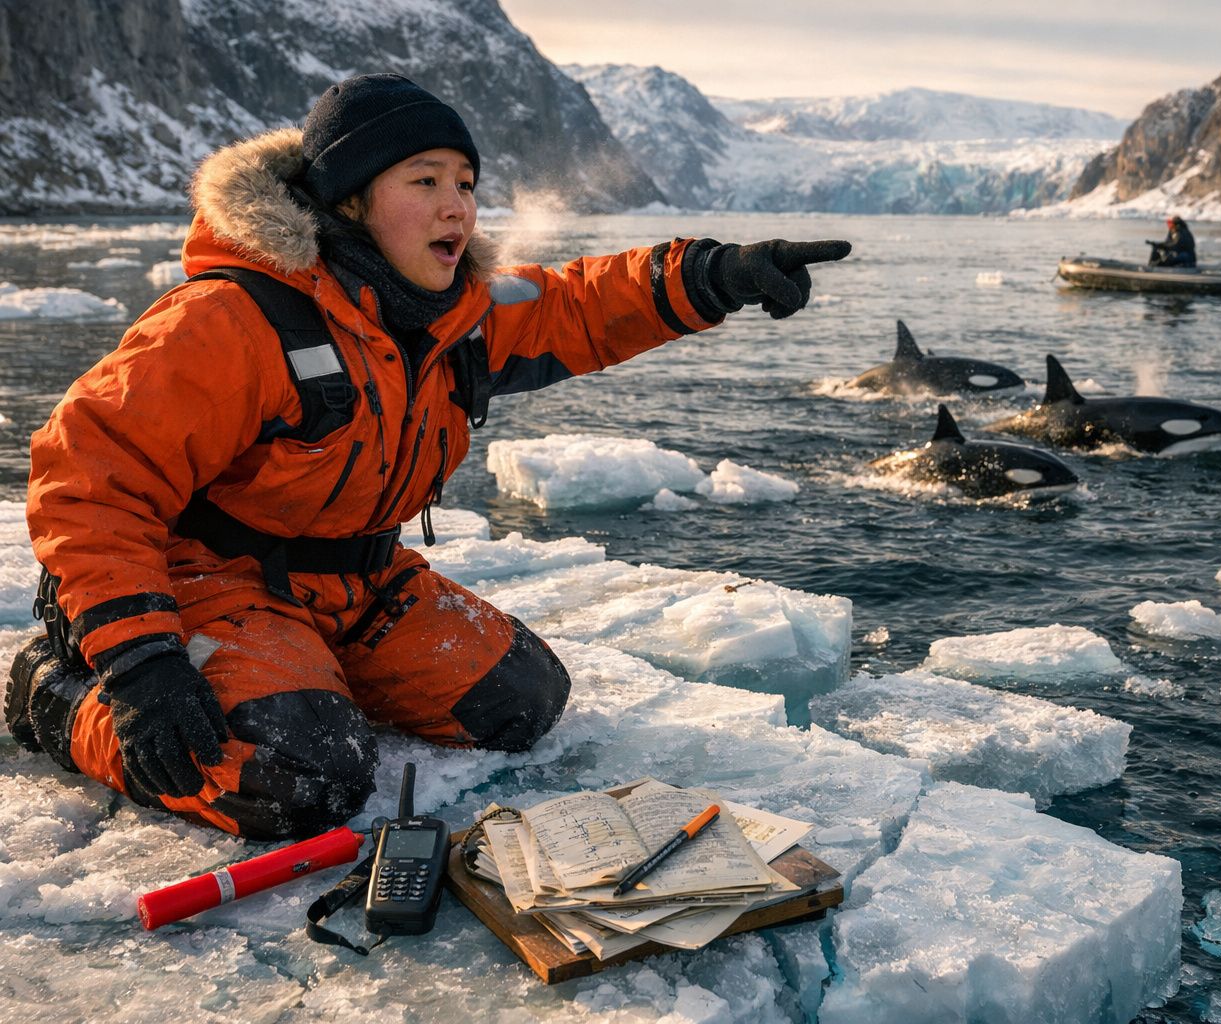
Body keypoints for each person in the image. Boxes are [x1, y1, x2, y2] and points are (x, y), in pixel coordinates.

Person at [4, 74, 850, 840]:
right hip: (215, 581)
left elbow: (581, 307)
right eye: (425, 182)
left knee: (521, 701)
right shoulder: (230, 320)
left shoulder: (454, 315)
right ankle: (57, 697)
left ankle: (306, 678)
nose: (458, 207)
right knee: (302, 778)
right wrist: (142, 660)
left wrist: (718, 274)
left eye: (466, 183)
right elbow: (88, 479)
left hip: (358, 584)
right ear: (347, 203)